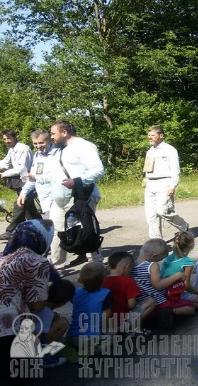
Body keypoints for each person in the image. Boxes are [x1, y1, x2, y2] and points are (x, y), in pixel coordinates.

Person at [48, 120, 105, 267]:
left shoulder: (84, 146)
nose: (51, 137)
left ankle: (96, 265)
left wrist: (77, 181)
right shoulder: (59, 148)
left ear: (64, 132)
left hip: (81, 197)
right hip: (60, 198)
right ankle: (56, 264)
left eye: (53, 133)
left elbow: (98, 170)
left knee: (87, 231)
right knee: (57, 230)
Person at [0, 220, 52, 376]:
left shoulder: (3, 257)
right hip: (7, 330)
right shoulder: (37, 261)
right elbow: (38, 305)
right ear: (44, 238)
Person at [143, 125, 189, 239]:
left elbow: (175, 170)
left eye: (152, 135)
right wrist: (145, 178)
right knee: (151, 215)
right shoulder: (149, 151)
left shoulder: (169, 150)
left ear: (161, 136)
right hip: (150, 184)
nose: (150, 137)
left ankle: (184, 227)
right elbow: (148, 167)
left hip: (164, 183)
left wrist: (172, 185)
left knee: (163, 210)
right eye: (149, 135)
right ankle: (157, 241)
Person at [131, 239, 189, 320]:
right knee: (190, 309)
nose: (160, 261)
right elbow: (158, 285)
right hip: (160, 301)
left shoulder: (132, 265)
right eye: (160, 259)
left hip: (144, 304)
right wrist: (177, 275)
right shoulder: (152, 265)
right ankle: (167, 313)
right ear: (154, 256)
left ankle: (164, 314)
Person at [0, 129, 36, 239]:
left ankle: (11, 231)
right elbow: (5, 162)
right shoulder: (12, 149)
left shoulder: (22, 149)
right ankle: (41, 230)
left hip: (27, 181)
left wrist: (3, 174)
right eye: (4, 139)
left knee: (19, 204)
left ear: (15, 137)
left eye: (8, 138)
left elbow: (20, 168)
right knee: (29, 210)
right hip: (21, 181)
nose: (6, 141)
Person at [160, 231, 198, 311]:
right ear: (191, 245)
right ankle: (178, 305)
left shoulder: (167, 258)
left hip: (164, 292)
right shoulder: (188, 262)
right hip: (176, 292)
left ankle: (177, 305)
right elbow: (186, 285)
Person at [19, 130, 59, 220]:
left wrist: (36, 177)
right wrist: (23, 193)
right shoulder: (37, 155)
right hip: (45, 200)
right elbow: (33, 178)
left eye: (41, 143)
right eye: (35, 143)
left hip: (58, 198)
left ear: (49, 141)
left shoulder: (58, 154)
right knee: (50, 227)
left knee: (59, 229)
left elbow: (58, 177)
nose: (38, 146)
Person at [68, 262, 112, 338]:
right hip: (93, 337)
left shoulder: (75, 292)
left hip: (74, 334)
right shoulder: (105, 293)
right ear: (103, 280)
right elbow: (106, 316)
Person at [102, 251, 141, 325]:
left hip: (104, 321)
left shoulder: (102, 281)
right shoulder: (128, 281)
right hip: (121, 319)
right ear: (126, 267)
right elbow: (131, 305)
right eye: (131, 268)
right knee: (150, 301)